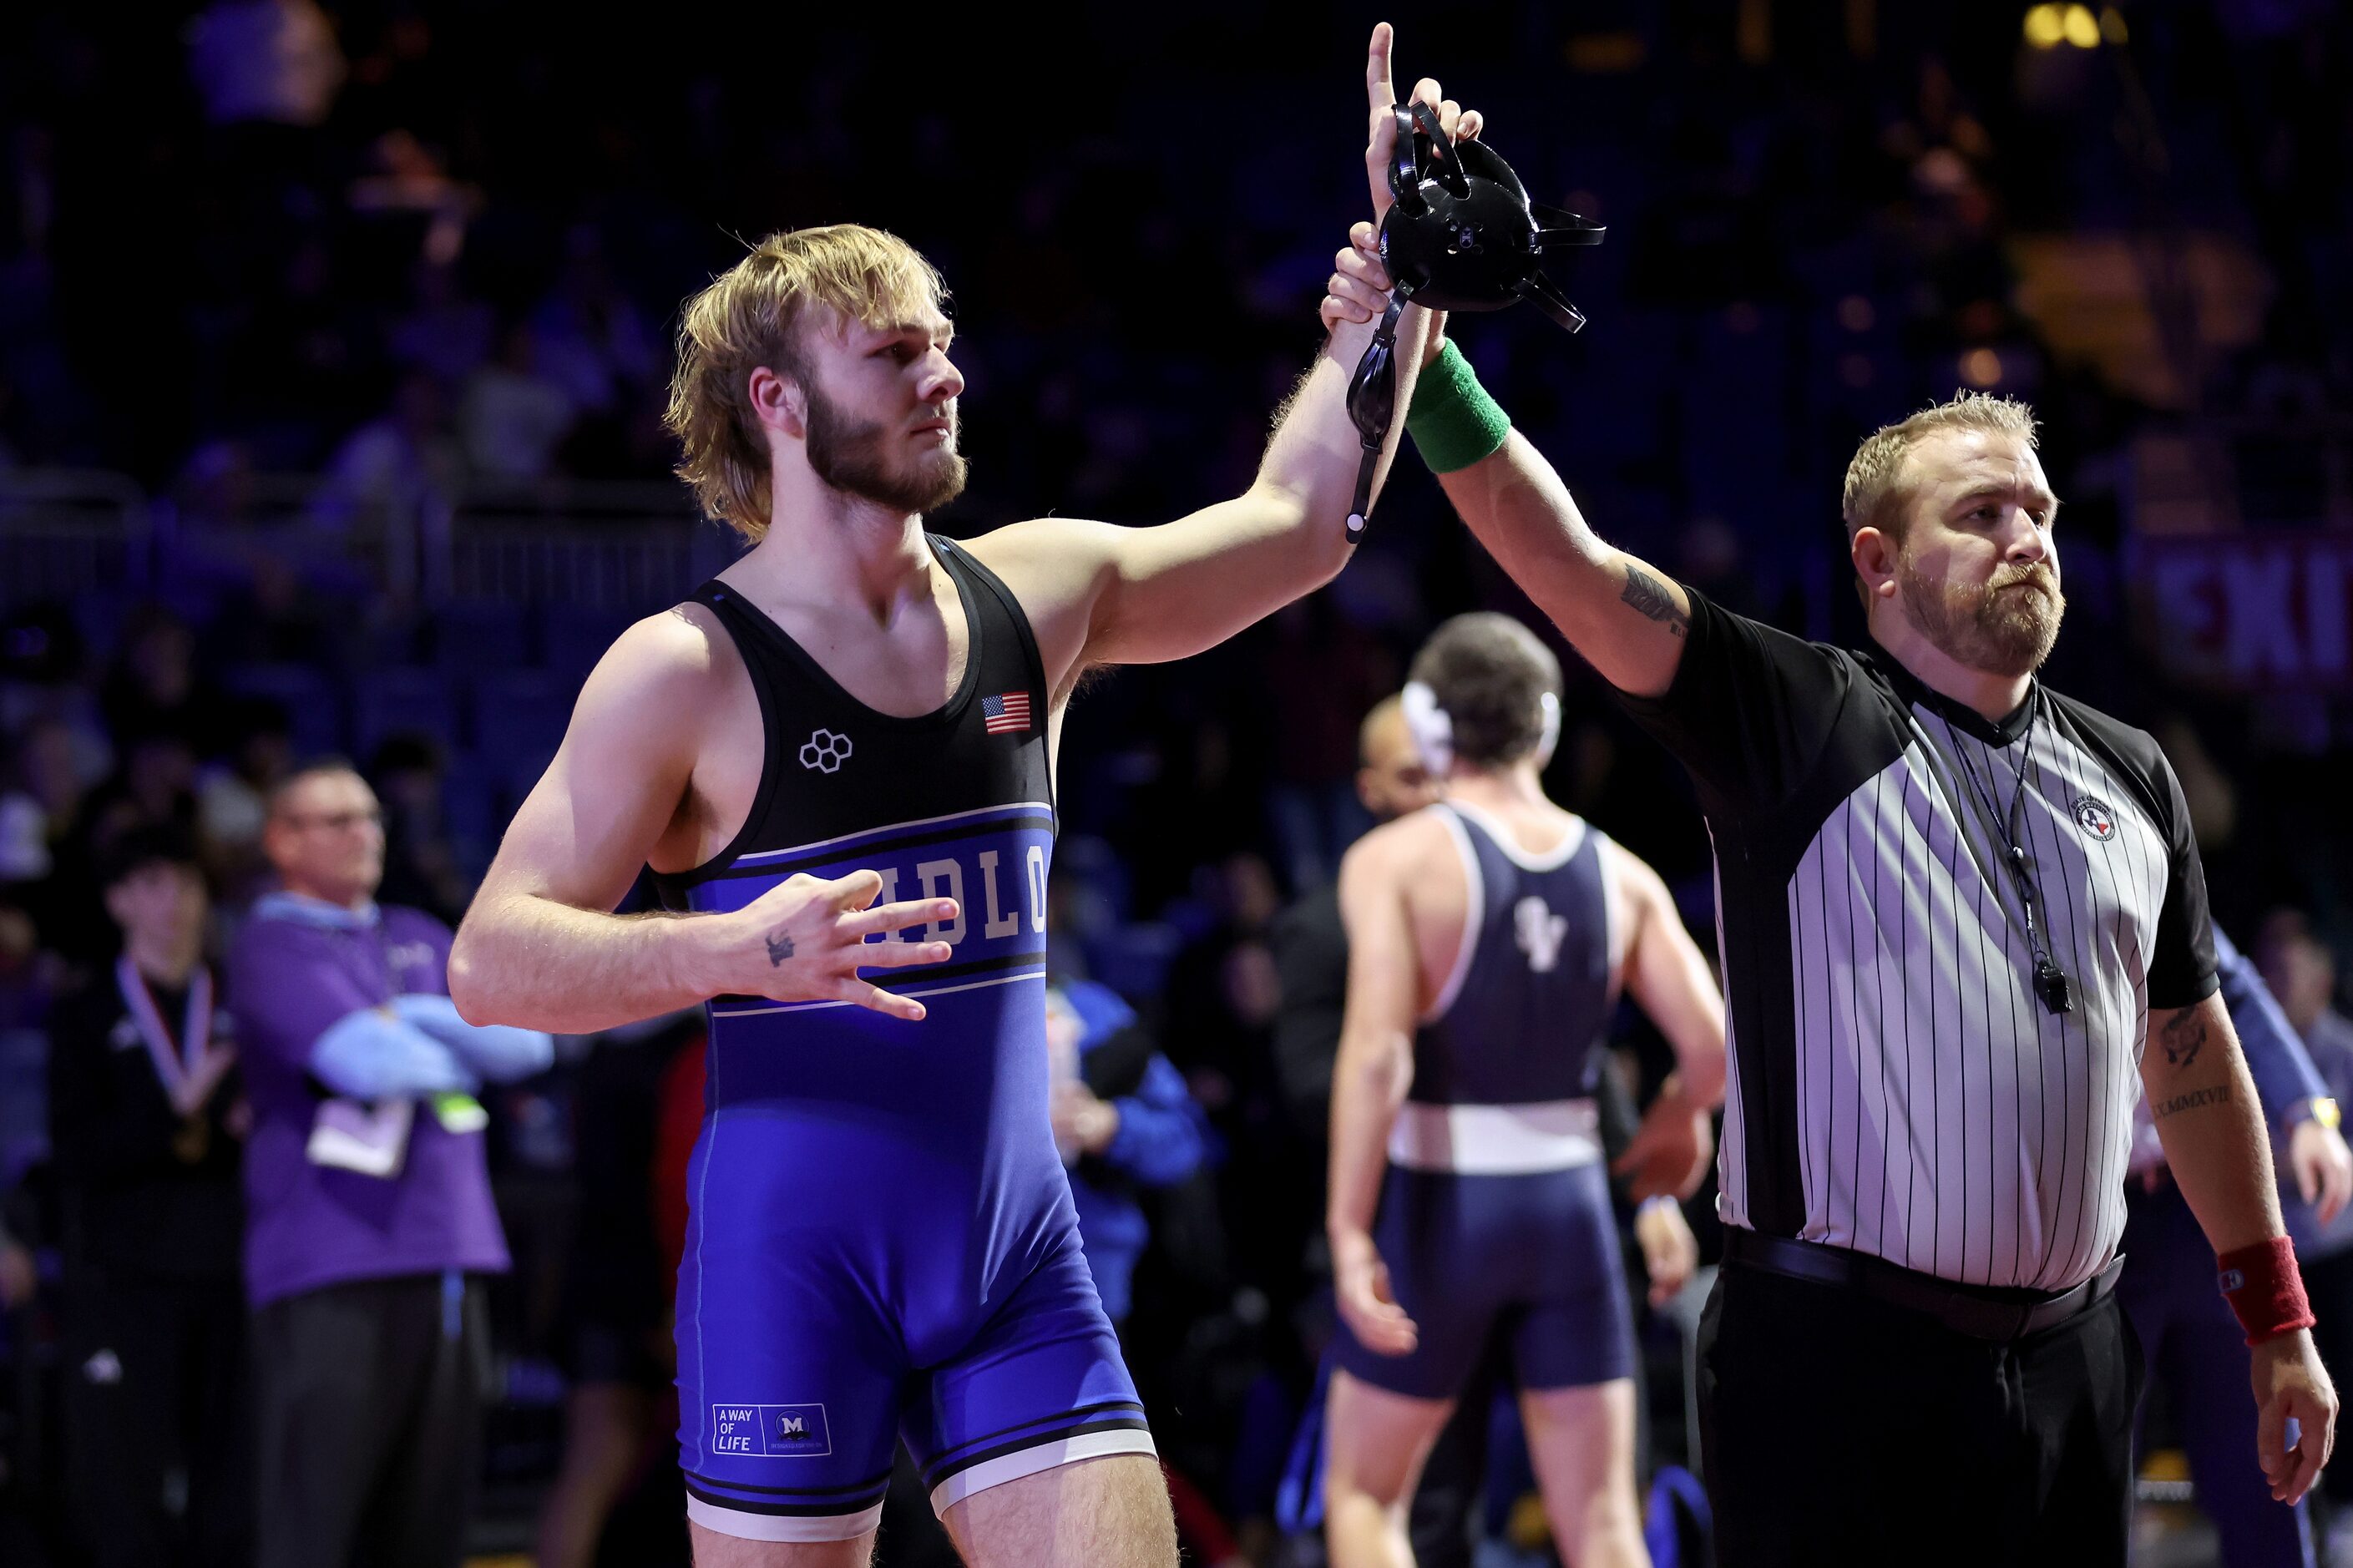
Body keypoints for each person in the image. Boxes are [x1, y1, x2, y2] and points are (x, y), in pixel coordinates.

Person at [447, 28, 1446, 1565]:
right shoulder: (685, 671)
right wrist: (720, 949)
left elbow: (1300, 525)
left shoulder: (1033, 594)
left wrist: (1393, 303)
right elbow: (492, 959)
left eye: (942, 338)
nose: (945, 373)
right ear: (777, 403)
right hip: (792, 1271)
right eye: (897, 352)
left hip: (1012, 1255)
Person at [1320, 78, 2340, 1552]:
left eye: (2040, 510)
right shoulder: (1792, 713)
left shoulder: (2130, 769)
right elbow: (1556, 553)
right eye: (1978, 513)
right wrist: (1424, 341)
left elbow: (2190, 1058)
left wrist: (2274, 1315)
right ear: (1875, 561)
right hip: (1830, 1358)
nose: (2024, 535)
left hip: (2073, 1355)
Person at [1322, 613, 1727, 1568]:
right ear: (1544, 727)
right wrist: (1679, 1121)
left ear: (1428, 725)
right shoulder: (1619, 875)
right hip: (1570, 1205)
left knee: (1366, 1499)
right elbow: (1712, 1046)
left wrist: (1347, 1230)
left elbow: (1376, 1056)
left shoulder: (1396, 861)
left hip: (1441, 1204)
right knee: (1603, 1526)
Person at [230, 761, 552, 1568]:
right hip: (332, 1258)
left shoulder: (413, 930)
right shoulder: (271, 943)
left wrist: (406, 1012)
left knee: (432, 1523)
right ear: (282, 841)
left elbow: (527, 1042)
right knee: (320, 1523)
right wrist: (450, 1034)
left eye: (370, 817)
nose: (363, 833)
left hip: (448, 1251)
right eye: (335, 820)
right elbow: (369, 1066)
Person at [46, 824, 249, 1566]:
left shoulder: (238, 999)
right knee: (126, 1475)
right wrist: (179, 1108)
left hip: (232, 1267)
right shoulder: (87, 1013)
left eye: (188, 883)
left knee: (233, 1479)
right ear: (118, 902)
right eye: (154, 885)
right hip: (128, 1275)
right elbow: (76, 1155)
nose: (175, 902)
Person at [2119, 926, 2353, 1568]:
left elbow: (2236, 986)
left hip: (2202, 1202)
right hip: (2092, 1211)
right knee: (2092, 1455)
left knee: (2263, 1443)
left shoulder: (2149, 835)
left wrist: (2309, 1112)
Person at [2257, 912, 2353, 1557]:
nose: (2281, 981)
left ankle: (2344, 1515)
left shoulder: (2344, 1052)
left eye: (2295, 969)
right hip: (2267, 1261)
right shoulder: (2242, 1046)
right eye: (2272, 968)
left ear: (2325, 977)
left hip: (2335, 1256)